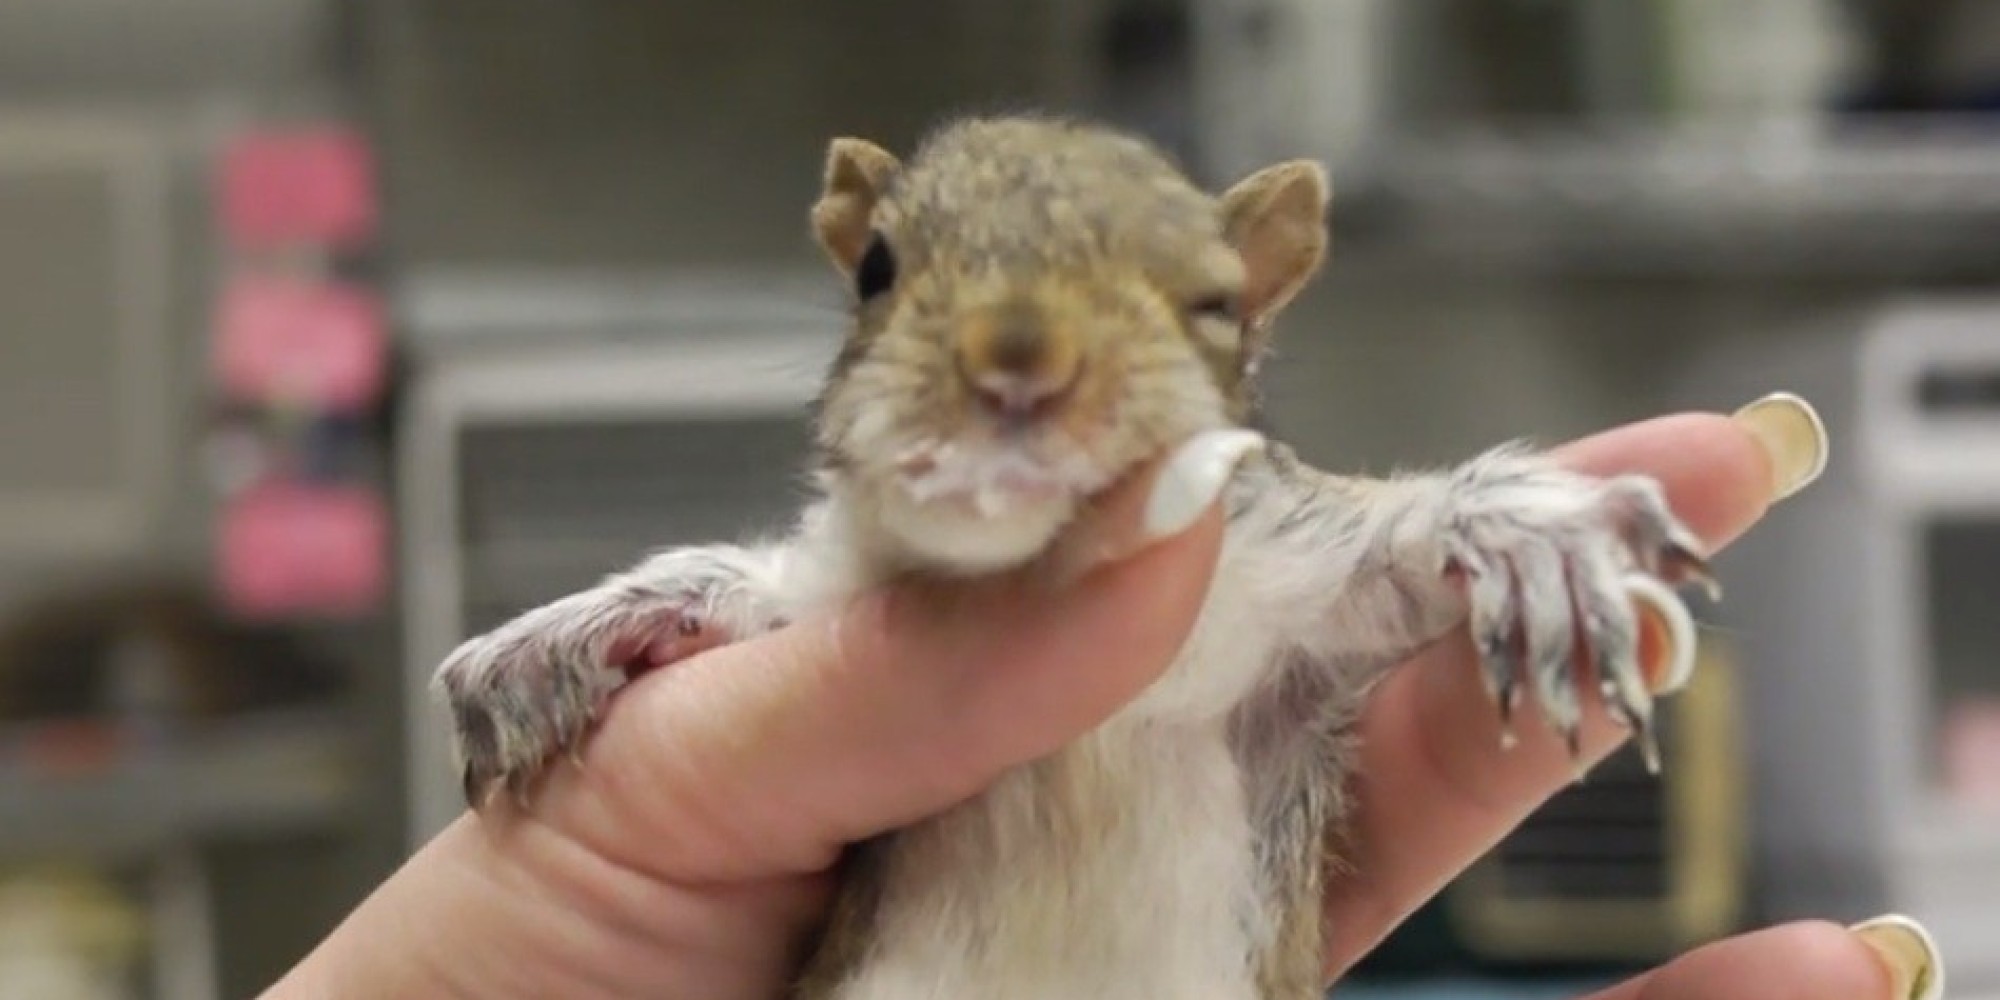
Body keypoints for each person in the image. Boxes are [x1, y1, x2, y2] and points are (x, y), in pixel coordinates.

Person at [261, 399, 1941, 1000]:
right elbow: (814, 594)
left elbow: (1396, 549)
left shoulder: (1248, 541)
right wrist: (666, 622)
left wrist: (1509, 532)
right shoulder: (886, 581)